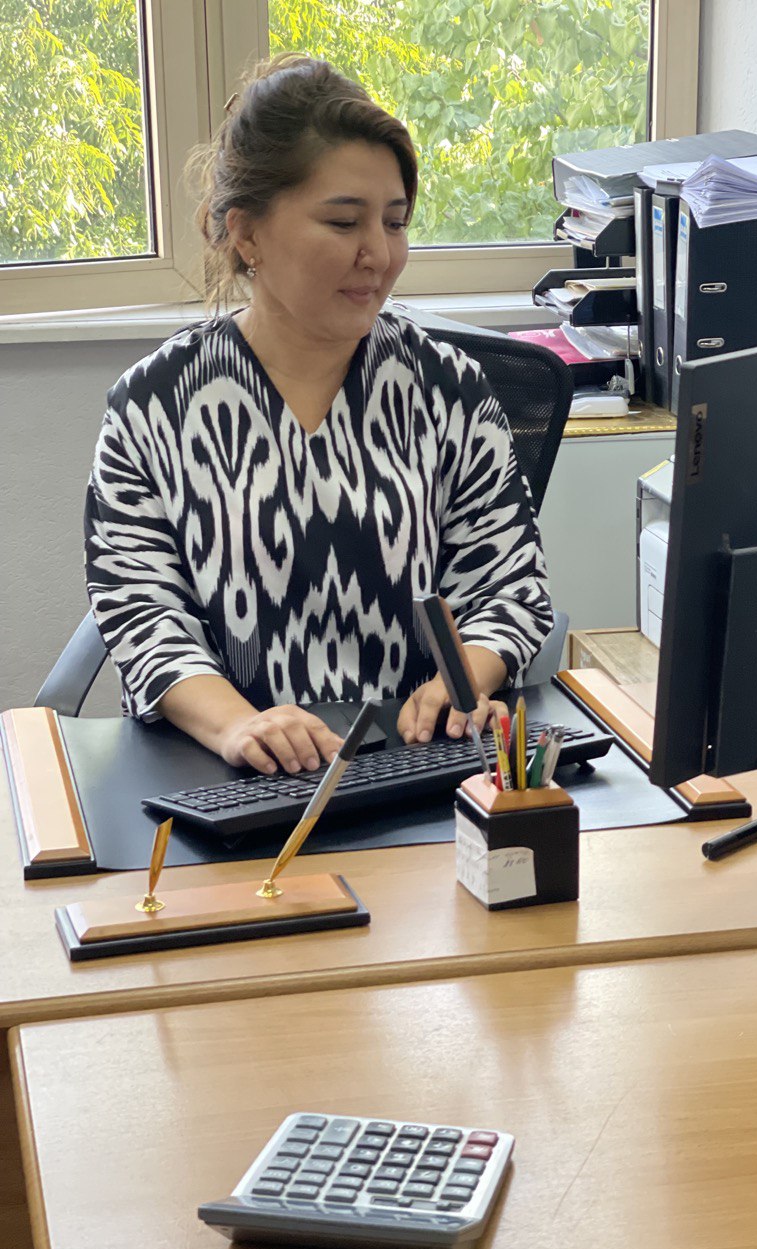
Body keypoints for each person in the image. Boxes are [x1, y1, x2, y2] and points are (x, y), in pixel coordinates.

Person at [84, 53, 552, 778]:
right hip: (230, 776)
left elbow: (509, 584)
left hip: (415, 766)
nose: (379, 255)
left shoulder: (449, 388)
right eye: (343, 221)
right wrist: (239, 726)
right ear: (246, 234)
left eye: (394, 222)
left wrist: (462, 682)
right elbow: (138, 607)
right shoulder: (153, 405)